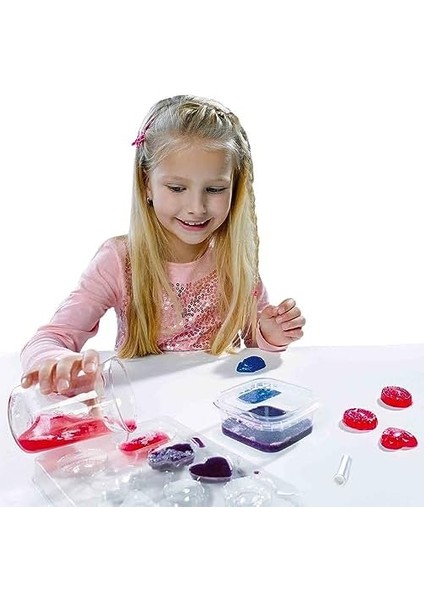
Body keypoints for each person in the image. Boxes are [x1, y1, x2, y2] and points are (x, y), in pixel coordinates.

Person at [20, 95, 305, 395]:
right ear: (147, 184)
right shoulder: (119, 261)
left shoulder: (232, 258)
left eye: (214, 189)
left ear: (235, 187)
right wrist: (57, 362)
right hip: (143, 410)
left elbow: (253, 342)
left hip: (215, 408)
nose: (196, 207)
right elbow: (48, 340)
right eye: (177, 188)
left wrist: (270, 333)